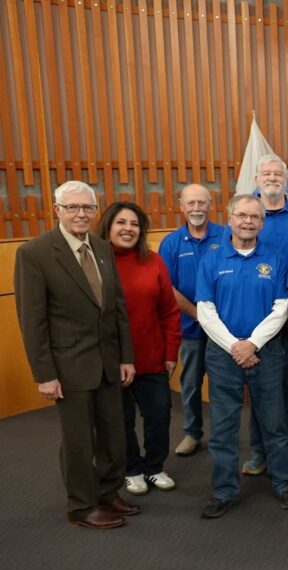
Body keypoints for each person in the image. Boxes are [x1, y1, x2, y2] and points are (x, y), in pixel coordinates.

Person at [14, 180, 139, 528]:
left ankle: (109, 492)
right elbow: (32, 321)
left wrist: (126, 356)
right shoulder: (35, 253)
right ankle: (82, 506)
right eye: (73, 208)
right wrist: (44, 374)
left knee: (114, 432)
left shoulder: (101, 247)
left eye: (88, 207)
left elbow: (116, 308)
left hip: (109, 362)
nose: (81, 214)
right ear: (57, 211)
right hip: (68, 366)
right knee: (79, 440)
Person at [195, 194, 288, 518]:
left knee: (274, 422)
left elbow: (282, 308)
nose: (248, 222)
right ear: (230, 218)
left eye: (255, 217)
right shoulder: (212, 258)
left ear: (262, 222)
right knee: (224, 427)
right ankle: (225, 491)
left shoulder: (277, 258)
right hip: (223, 354)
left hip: (266, 352)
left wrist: (252, 344)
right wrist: (235, 347)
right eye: (242, 216)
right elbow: (205, 310)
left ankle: (284, 484)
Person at [99, 202, 182, 496]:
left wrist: (171, 352)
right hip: (112, 359)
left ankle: (154, 467)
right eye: (121, 223)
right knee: (121, 419)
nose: (128, 229)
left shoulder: (154, 261)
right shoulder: (97, 261)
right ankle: (131, 468)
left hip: (152, 357)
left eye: (134, 224)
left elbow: (169, 312)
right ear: (108, 226)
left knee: (159, 415)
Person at [244, 154, 288, 475]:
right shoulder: (248, 213)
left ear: (287, 181)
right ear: (256, 179)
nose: (272, 178)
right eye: (266, 173)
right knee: (259, 390)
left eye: (278, 173)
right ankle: (259, 452)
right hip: (258, 323)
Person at [158, 184, 226, 457]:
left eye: (202, 202)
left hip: (224, 329)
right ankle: (192, 432)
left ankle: (223, 435)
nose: (197, 208)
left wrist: (214, 320)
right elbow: (168, 289)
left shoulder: (226, 236)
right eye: (191, 203)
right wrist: (200, 315)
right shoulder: (171, 243)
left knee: (224, 385)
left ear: (210, 204)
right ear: (181, 205)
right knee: (191, 384)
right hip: (190, 327)